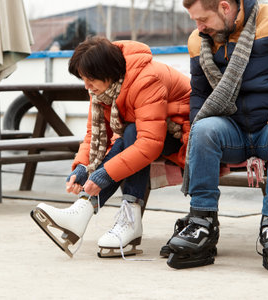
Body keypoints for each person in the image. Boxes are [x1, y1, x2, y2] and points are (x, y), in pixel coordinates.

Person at [165, 0, 268, 275]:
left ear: (224, 7)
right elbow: (199, 93)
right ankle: (202, 221)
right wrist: (195, 129)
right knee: (203, 128)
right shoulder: (199, 40)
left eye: (202, 19)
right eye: (195, 20)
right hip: (231, 133)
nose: (198, 27)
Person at [31, 36, 191, 258]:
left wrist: (103, 175)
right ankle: (85, 213)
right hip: (149, 133)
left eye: (90, 79)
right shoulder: (104, 89)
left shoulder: (145, 79)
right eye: (82, 79)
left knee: (132, 133)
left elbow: (149, 145)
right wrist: (81, 168)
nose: (86, 86)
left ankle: (105, 217)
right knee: (130, 134)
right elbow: (94, 136)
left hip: (184, 133)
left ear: (107, 72)